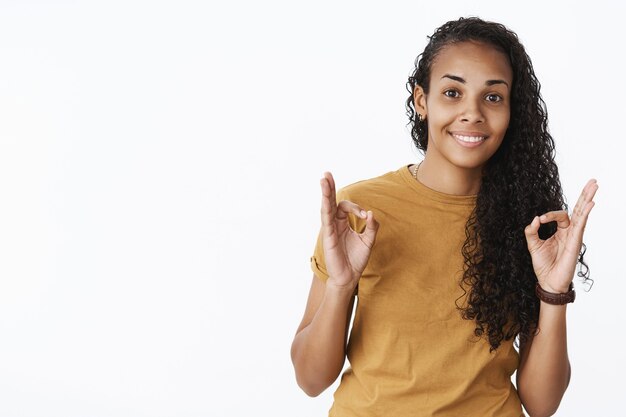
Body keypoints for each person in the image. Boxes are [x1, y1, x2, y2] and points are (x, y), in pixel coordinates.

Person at [290, 17, 598, 417]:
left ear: (511, 110)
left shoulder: (530, 224)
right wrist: (340, 285)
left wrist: (554, 293)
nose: (472, 113)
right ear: (422, 101)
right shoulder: (360, 209)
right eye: (452, 92)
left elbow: (541, 404)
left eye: (493, 97)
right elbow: (310, 380)